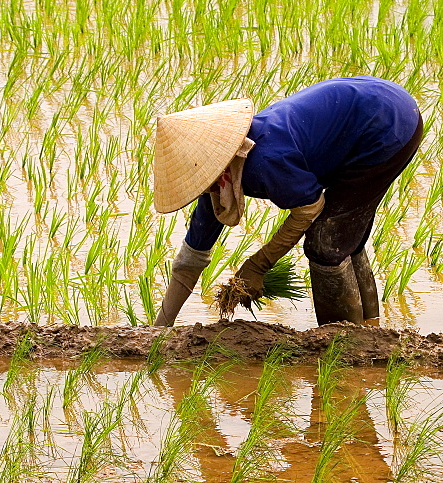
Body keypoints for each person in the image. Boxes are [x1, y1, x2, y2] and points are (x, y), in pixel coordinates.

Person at [152, 76, 424, 327]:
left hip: (387, 125)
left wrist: (258, 264)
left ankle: (346, 346)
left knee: (325, 245)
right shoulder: (218, 176)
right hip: (370, 106)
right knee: (344, 236)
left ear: (216, 167)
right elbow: (192, 256)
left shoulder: (266, 160)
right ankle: (370, 328)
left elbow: (309, 208)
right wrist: (160, 328)